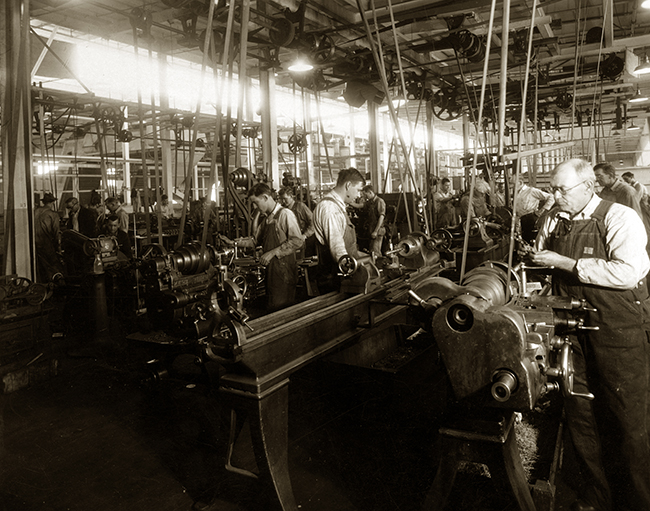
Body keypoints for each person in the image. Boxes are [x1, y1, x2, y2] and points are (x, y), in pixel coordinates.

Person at [530, 158, 650, 511]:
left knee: (629, 419)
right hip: (570, 329)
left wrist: (566, 263)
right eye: (552, 189)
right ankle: (598, 495)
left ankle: (639, 501)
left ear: (589, 187)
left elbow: (627, 272)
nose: (555, 196)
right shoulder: (552, 218)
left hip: (617, 330)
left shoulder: (619, 217)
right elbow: (542, 260)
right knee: (581, 414)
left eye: (561, 190)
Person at [248, 183, 303, 311]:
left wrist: (272, 253)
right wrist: (232, 243)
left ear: (266, 198)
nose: (254, 207)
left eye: (256, 203)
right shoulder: (267, 219)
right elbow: (254, 240)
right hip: (272, 273)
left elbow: (297, 241)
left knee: (282, 310)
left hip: (284, 273)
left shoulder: (285, 214)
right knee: (273, 308)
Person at [313, 167, 368, 293]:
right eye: (358, 190)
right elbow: (336, 244)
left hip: (343, 277)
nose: (359, 195)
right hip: (336, 280)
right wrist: (350, 268)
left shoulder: (337, 206)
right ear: (348, 185)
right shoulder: (330, 208)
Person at [34, 192, 64, 284]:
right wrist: (58, 247)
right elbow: (56, 232)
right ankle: (56, 284)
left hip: (34, 243)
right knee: (53, 264)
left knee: (41, 266)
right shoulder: (53, 214)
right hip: (46, 244)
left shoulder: (35, 211)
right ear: (52, 203)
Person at [279, 187, 315, 259]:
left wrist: (305, 235)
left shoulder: (300, 207)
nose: (283, 201)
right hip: (289, 243)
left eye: (285, 199)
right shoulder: (283, 210)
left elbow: (313, 222)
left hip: (304, 242)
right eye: (281, 199)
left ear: (291, 196)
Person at [360, 184, 386, 256]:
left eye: (366, 195)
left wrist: (375, 231)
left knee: (375, 252)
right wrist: (349, 202)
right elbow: (361, 206)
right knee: (372, 252)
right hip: (372, 230)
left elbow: (381, 217)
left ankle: (378, 266)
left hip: (377, 231)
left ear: (370, 192)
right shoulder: (370, 202)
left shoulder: (379, 201)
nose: (365, 197)